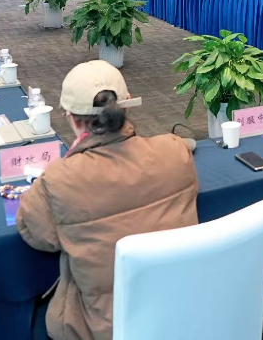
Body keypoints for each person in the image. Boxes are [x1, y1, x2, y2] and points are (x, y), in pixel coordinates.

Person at [17, 60, 198, 340]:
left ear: (71, 118)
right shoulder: (174, 150)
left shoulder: (59, 179)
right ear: (127, 105)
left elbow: (37, 234)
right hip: (183, 311)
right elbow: (186, 146)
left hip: (102, 327)